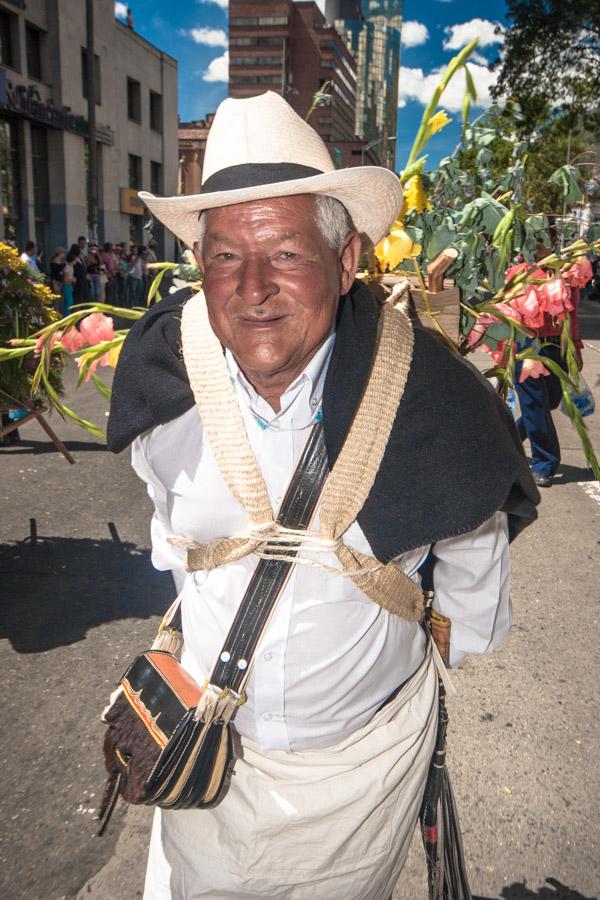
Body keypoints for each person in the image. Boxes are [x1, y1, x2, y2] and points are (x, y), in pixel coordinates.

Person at [107, 92, 539, 900]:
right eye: (226, 256)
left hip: (358, 777)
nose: (253, 287)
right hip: (204, 753)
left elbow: (474, 545)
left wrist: (456, 634)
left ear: (346, 263)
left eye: (287, 253)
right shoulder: (162, 378)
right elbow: (171, 531)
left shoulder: (431, 397)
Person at [62, 249, 77, 315]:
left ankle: (68, 314)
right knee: (68, 302)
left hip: (70, 285)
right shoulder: (67, 267)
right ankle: (66, 316)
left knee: (70, 301)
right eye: (75, 259)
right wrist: (72, 280)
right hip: (66, 285)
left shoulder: (71, 267)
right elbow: (65, 279)